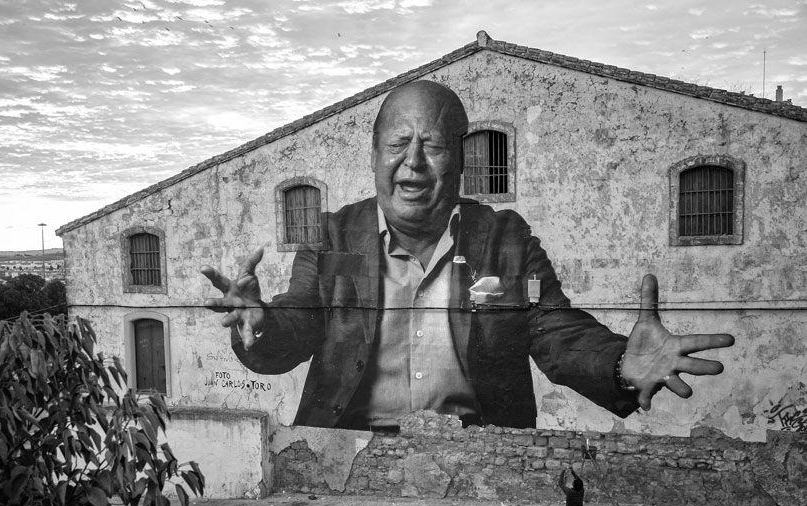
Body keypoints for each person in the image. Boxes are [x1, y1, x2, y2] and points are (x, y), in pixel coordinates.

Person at [201, 79, 735, 431]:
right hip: (350, 451)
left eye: (432, 146)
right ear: (374, 155)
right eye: (397, 144)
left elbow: (556, 331)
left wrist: (621, 364)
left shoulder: (505, 239)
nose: (413, 163)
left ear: (459, 160)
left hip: (478, 454)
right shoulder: (331, 237)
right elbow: (297, 323)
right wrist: (261, 322)